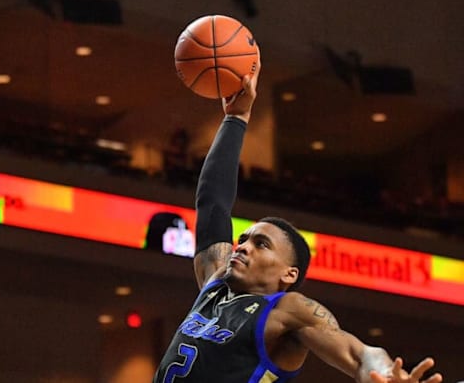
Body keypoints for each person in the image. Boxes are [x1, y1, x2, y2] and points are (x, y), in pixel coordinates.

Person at [152, 60, 443, 383]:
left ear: (288, 274)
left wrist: (384, 373)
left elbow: (359, 351)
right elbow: (212, 203)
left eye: (261, 244)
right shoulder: (215, 286)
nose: (243, 246)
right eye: (244, 238)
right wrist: (236, 118)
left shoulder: (288, 310)